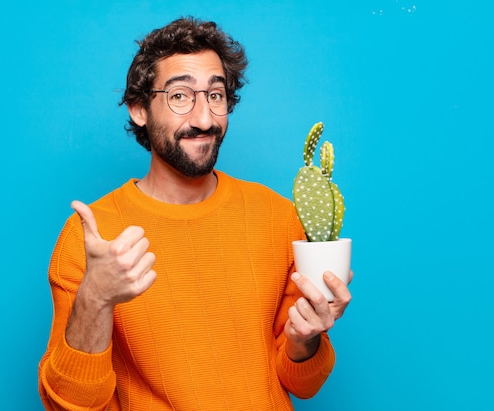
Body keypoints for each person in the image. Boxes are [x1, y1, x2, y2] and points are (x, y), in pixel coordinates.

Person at [38, 17, 352, 411]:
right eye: (180, 96)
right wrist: (94, 300)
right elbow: (67, 403)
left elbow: (301, 384)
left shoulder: (278, 217)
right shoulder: (93, 236)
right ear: (139, 108)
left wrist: (306, 338)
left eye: (215, 96)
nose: (205, 120)